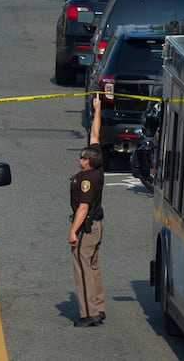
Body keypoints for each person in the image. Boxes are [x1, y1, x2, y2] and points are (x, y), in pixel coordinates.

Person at [69, 94, 106, 327]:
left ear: (87, 163)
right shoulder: (98, 162)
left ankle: (88, 313)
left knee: (82, 267)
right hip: (97, 225)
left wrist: (73, 231)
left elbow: (83, 207)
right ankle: (99, 306)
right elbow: (95, 134)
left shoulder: (87, 181)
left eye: (82, 157)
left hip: (87, 225)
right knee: (93, 265)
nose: (80, 158)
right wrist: (97, 109)